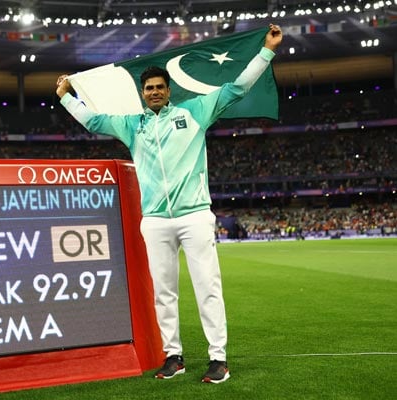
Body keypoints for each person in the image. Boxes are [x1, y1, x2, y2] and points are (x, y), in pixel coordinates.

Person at [56, 24, 283, 384]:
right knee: (164, 293)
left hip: (194, 216)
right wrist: (66, 96)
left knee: (207, 287)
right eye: (149, 88)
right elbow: (94, 120)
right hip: (156, 221)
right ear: (143, 94)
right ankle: (173, 356)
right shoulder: (132, 126)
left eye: (161, 87)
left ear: (169, 90)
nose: (155, 92)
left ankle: (218, 359)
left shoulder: (195, 111)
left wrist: (267, 51)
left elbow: (237, 88)